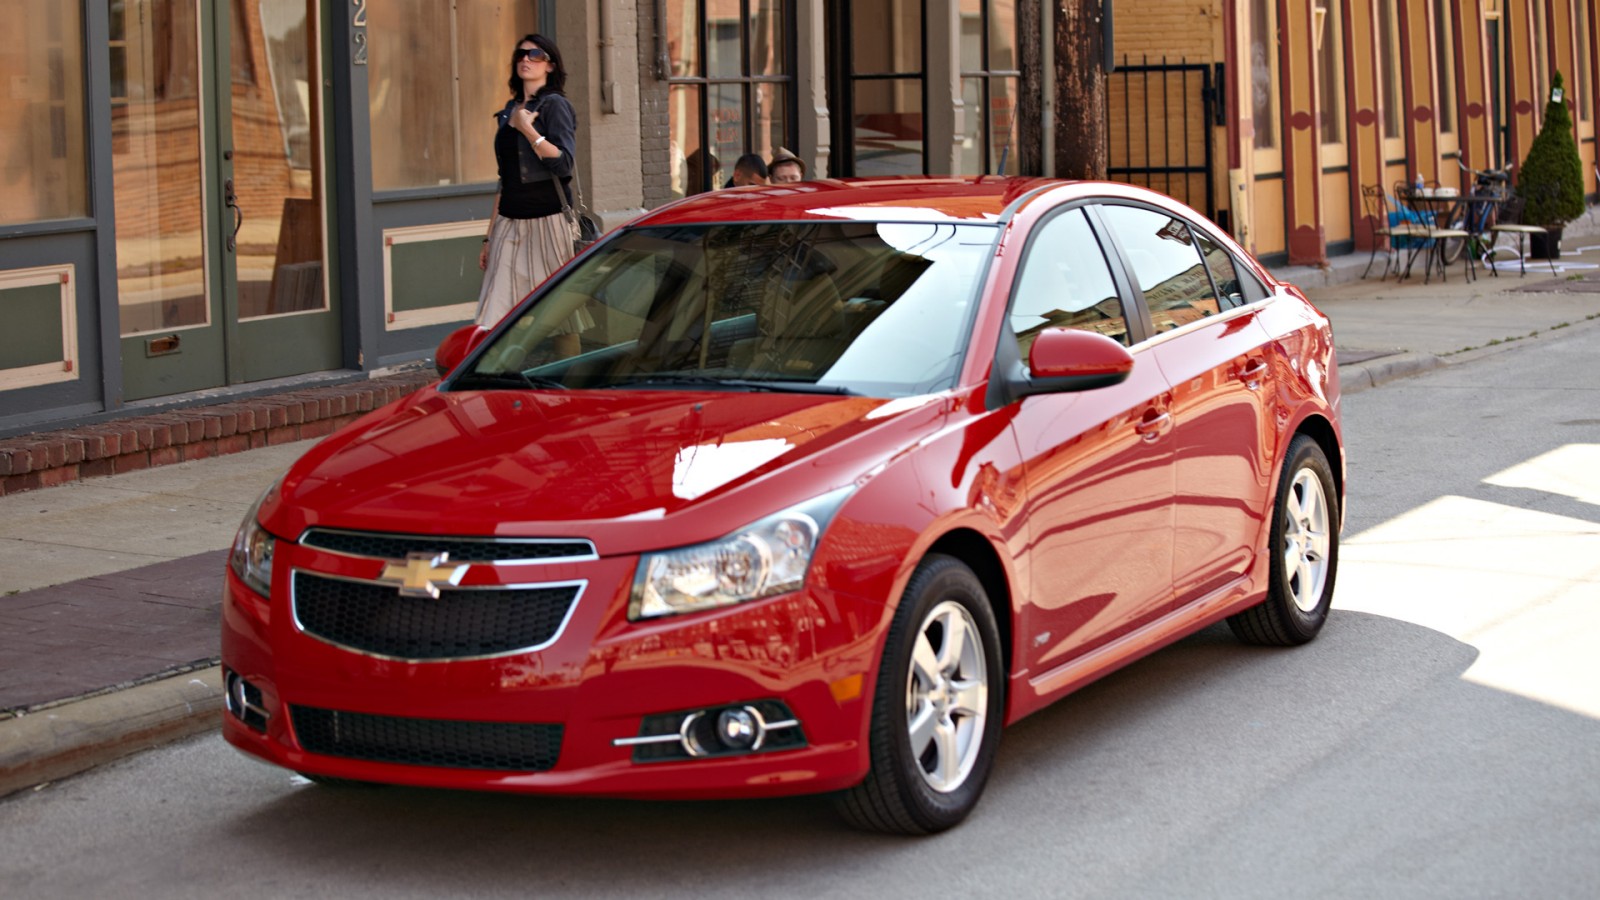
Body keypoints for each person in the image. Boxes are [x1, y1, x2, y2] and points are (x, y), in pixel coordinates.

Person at [475, 33, 592, 353]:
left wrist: (527, 129)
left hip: (548, 222)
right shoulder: (509, 111)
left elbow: (564, 165)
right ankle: (503, 378)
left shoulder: (556, 106)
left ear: (550, 66)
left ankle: (568, 379)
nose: (526, 59)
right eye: (521, 54)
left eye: (536, 55)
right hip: (509, 224)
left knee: (560, 316)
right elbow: (505, 179)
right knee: (495, 315)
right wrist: (488, 237)